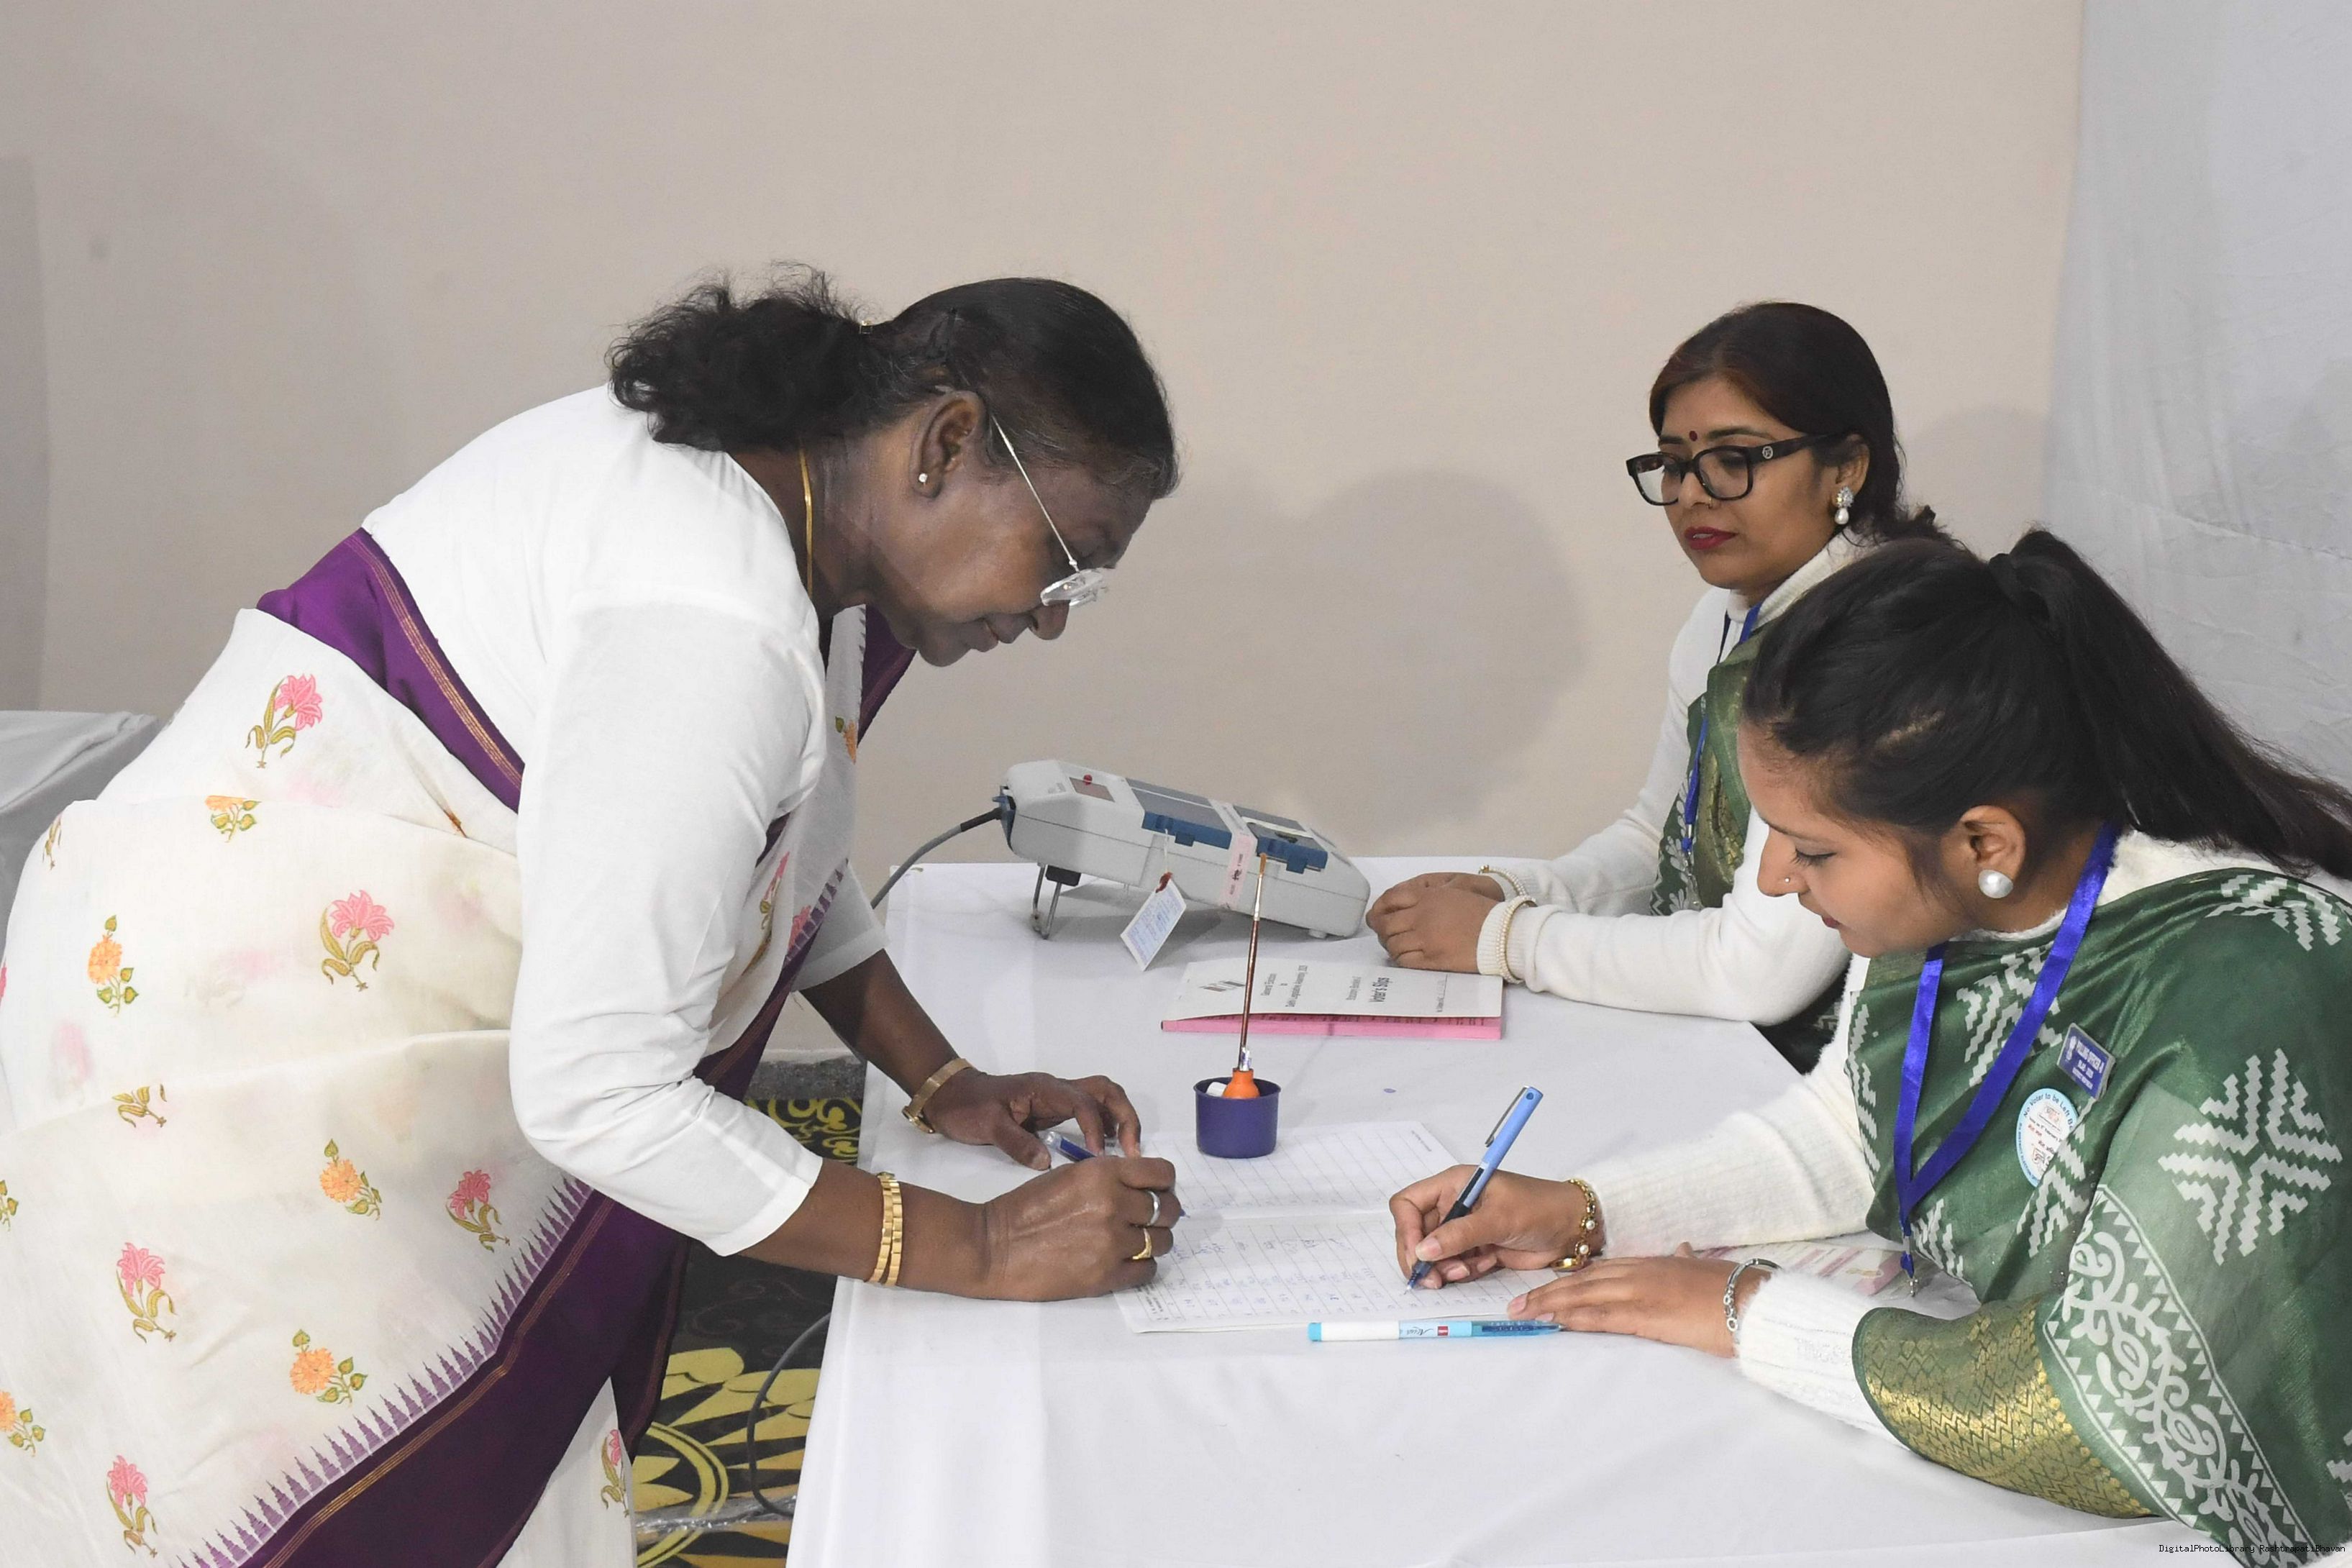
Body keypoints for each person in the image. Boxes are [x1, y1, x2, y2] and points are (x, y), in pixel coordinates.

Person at [0, 270, 1186, 1565]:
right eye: (1066, 559)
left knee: (501, 1486)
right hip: (229, 1062)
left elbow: (764, 855)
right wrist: (976, 1244)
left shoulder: (783, 509)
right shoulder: (710, 623)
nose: (1053, 618)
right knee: (350, 1495)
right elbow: (600, 1096)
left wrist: (940, 1075)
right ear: (945, 445)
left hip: (273, 992)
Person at [1390, 530, 2352, 1564]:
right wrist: (1588, 1210)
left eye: (1810, 850)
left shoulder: (2241, 990)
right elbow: (1858, 1131)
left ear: (1983, 841)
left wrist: (1753, 1312)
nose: (1772, 881)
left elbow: (2121, 1408)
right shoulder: (1961, 900)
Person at [1369, 302, 1944, 1068]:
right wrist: (1510, 891)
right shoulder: (1727, 615)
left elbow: (1761, 971)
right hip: (1738, 1051)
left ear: (1846, 467)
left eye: (1735, 457)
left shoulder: (1881, 642)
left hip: (1868, 1077)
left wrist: (1507, 938)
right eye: (1675, 463)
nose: (1695, 493)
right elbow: (1657, 840)